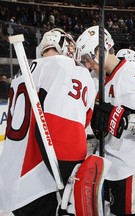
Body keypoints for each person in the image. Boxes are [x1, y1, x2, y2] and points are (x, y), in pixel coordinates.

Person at [0, 28, 96, 215]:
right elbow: (64, 128)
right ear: (69, 49)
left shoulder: (22, 73)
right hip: (41, 181)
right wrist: (69, 179)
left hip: (11, 179)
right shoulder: (71, 69)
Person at [76, 25, 135, 216]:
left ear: (100, 51)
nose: (88, 65)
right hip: (110, 164)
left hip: (131, 164)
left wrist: (122, 120)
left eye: (87, 59)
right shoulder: (98, 79)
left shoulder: (133, 72)